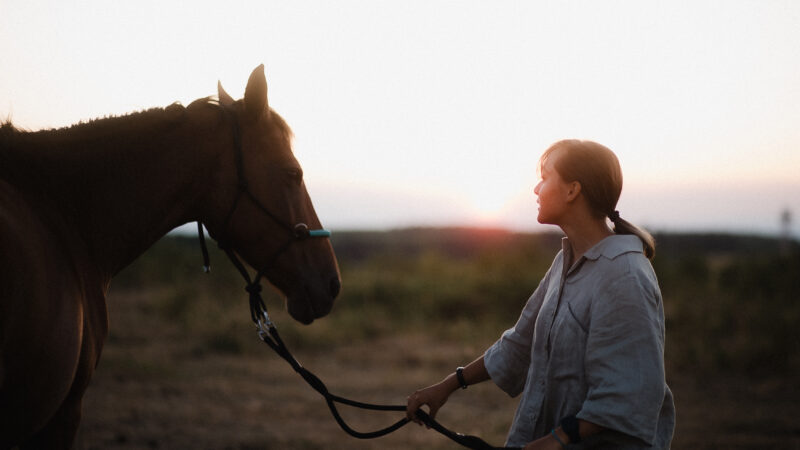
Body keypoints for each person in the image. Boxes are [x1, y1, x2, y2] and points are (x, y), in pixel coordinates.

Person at [406, 140, 675, 449]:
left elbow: (629, 392)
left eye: (545, 177)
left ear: (573, 190)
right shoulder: (565, 260)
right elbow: (520, 343)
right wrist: (447, 386)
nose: (536, 189)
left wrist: (556, 440)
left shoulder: (624, 276)